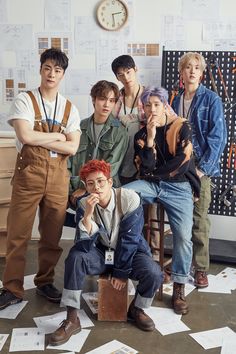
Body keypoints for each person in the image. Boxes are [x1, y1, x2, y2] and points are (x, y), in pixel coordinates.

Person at [49, 159, 163, 346]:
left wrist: (121, 273)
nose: (96, 187)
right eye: (91, 183)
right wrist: (87, 215)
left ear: (110, 182)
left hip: (132, 252)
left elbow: (130, 240)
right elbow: (83, 246)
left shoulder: (130, 198)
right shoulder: (84, 203)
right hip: (102, 253)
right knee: (76, 258)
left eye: (101, 181)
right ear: (85, 186)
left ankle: (137, 310)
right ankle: (72, 318)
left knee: (153, 272)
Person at [0, 48, 81, 310]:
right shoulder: (25, 100)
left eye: (57, 70)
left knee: (51, 236)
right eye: (48, 67)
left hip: (58, 178)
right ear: (40, 69)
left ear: (63, 74)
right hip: (29, 175)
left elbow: (73, 148)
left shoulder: (70, 108)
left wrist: (49, 139)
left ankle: (45, 281)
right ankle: (12, 287)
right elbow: (26, 137)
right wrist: (59, 137)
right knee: (18, 234)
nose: (52, 73)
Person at [124, 86, 201, 315]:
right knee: (124, 196)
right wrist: (149, 139)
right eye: (148, 105)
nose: (152, 109)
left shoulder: (181, 126)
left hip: (179, 188)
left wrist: (153, 175)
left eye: (157, 104)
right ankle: (142, 262)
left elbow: (182, 162)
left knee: (183, 237)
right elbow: (143, 167)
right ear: (143, 108)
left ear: (165, 104)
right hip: (152, 185)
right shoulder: (141, 135)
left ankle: (178, 287)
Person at [172, 52, 227, 288]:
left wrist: (202, 169)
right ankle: (180, 265)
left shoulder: (211, 99)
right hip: (179, 166)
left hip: (200, 167)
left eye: (197, 68)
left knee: (199, 219)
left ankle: (201, 268)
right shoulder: (176, 101)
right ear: (181, 73)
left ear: (202, 74)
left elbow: (218, 138)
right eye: (188, 67)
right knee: (180, 218)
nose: (192, 71)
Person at [68, 80, 129, 207]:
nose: (107, 104)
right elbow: (67, 163)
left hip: (104, 189)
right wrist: (68, 190)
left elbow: (111, 167)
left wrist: (86, 187)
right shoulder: (78, 127)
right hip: (75, 187)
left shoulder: (120, 132)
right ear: (93, 100)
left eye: (112, 101)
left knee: (86, 206)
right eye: (102, 99)